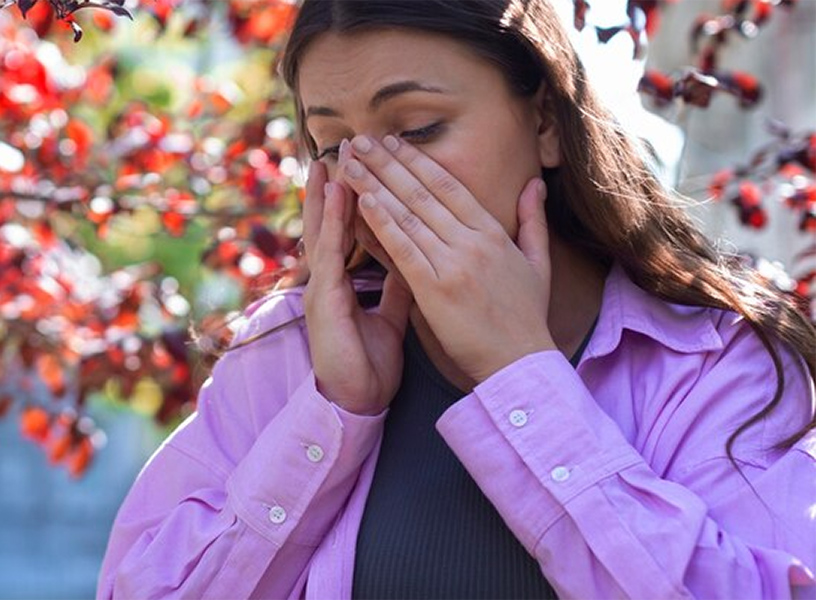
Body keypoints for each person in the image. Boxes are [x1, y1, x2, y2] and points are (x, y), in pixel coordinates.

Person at [97, 0, 816, 597]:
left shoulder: (716, 362)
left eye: (416, 130)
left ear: (544, 122)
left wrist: (521, 376)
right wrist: (332, 411)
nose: (372, 174)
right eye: (330, 145)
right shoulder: (288, 352)